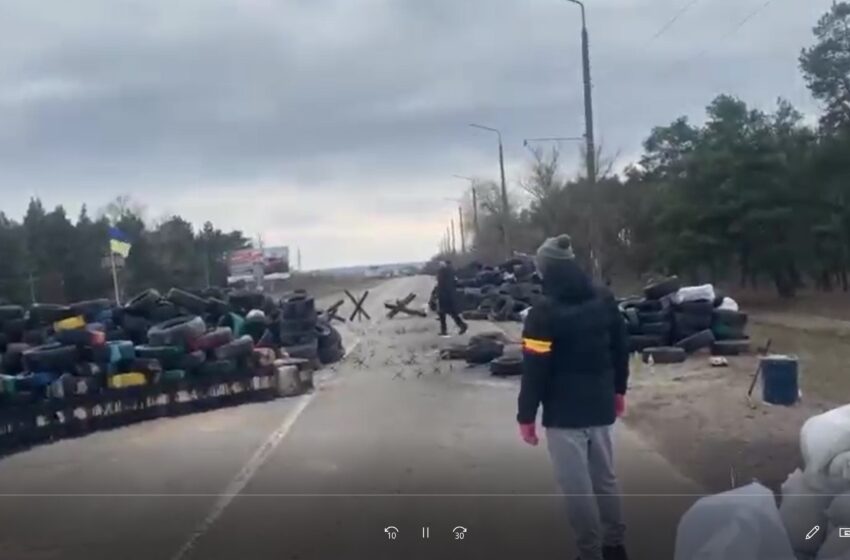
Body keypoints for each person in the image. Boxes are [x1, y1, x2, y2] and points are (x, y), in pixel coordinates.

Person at [517, 234, 630, 560]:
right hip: (600, 406)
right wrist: (619, 390)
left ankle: (589, 553)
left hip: (564, 415)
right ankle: (615, 547)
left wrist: (526, 416)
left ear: (546, 270)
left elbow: (535, 370)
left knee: (577, 488)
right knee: (606, 480)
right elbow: (620, 348)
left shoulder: (542, 312)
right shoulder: (604, 298)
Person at [436, 259, 468, 337]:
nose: (440, 265)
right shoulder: (449, 271)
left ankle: (447, 329)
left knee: (445, 312)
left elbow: (443, 284)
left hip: (445, 295)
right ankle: (460, 325)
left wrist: (439, 294)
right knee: (448, 312)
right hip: (447, 294)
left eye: (441, 263)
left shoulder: (444, 272)